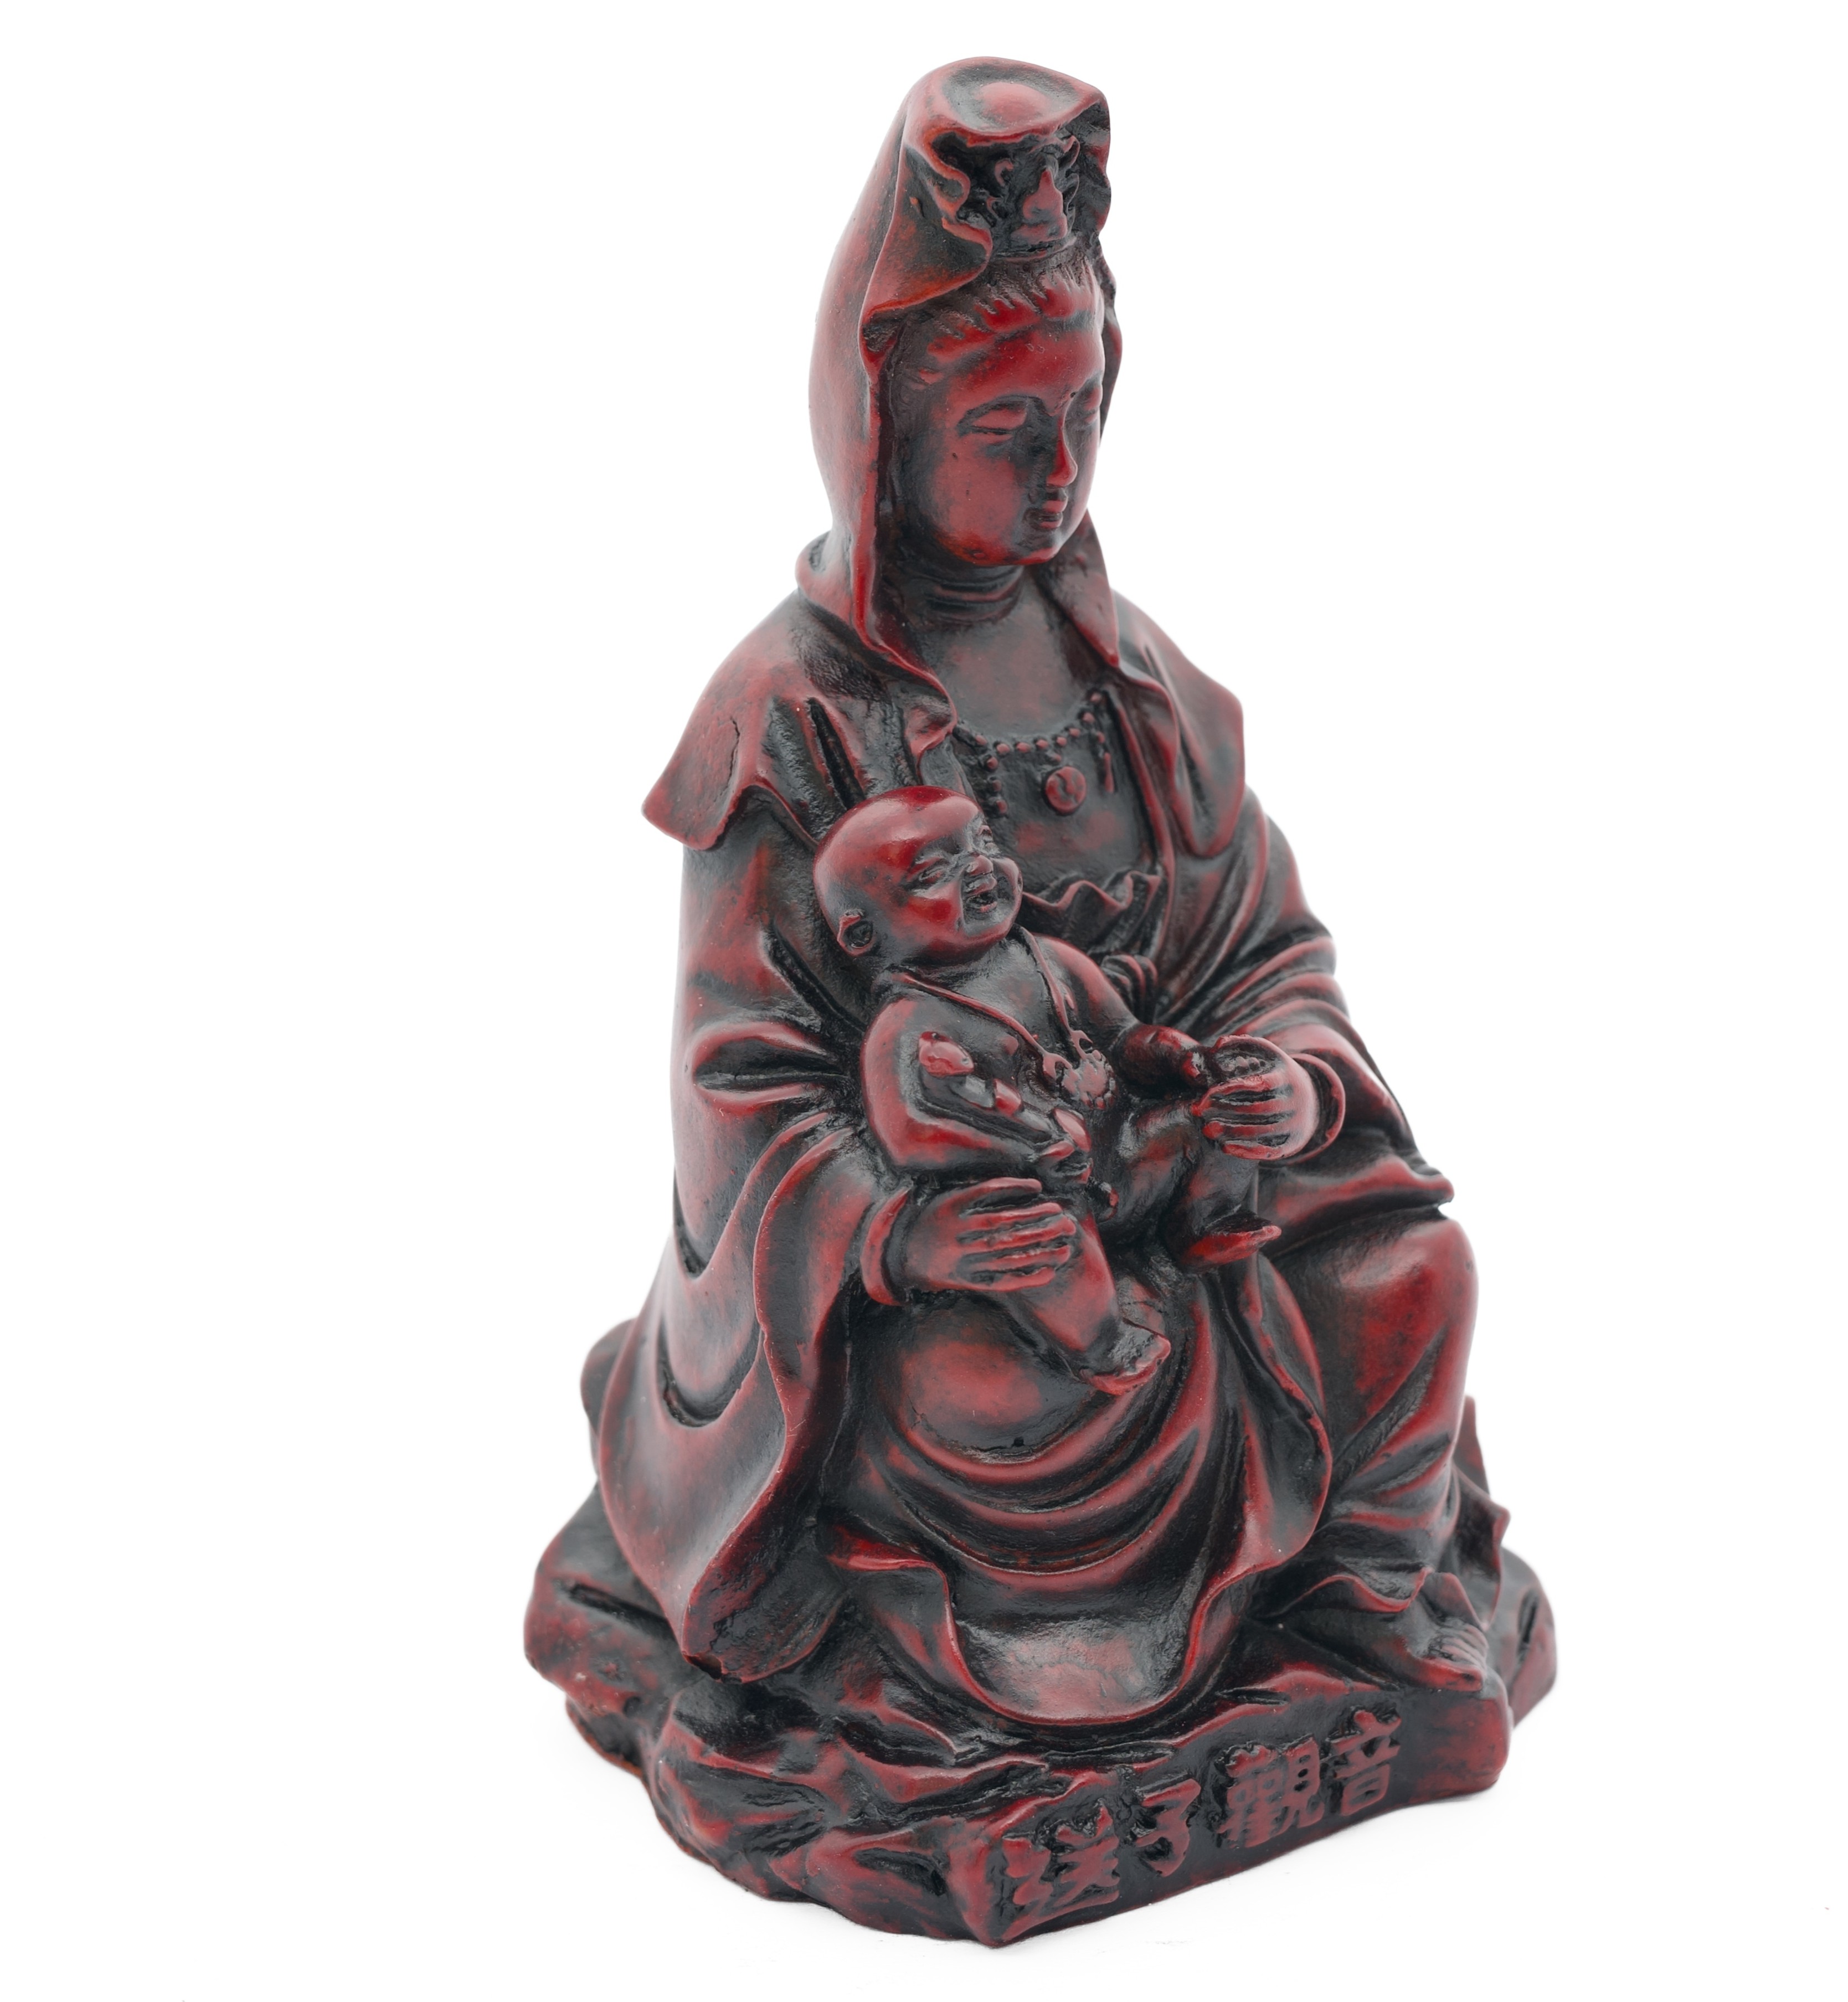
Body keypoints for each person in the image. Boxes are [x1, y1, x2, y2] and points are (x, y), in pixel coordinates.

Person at [554, 60, 1530, 1736]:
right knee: (972, 1400)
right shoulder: (788, 717)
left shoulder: (1136, 681)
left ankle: (1364, 1601)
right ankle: (985, 1661)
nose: (1059, 467)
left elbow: (1262, 946)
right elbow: (740, 1082)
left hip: (1183, 1197)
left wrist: (1286, 1079)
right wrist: (903, 1229)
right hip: (965, 1274)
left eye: (1081, 413)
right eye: (1005, 432)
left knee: (1409, 1276)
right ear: (883, 433)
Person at [815, 783, 1295, 1390]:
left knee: (1215, 1115)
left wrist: (1182, 1055)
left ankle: (1199, 1222)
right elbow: (909, 1133)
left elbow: (1123, 1036)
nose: (979, 868)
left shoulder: (1052, 962)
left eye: (982, 843)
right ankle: (1100, 1344)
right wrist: (1020, 1148)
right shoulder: (906, 1025)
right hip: (1053, 1191)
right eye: (935, 872)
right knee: (1042, 1239)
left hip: (1128, 1145)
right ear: (863, 935)